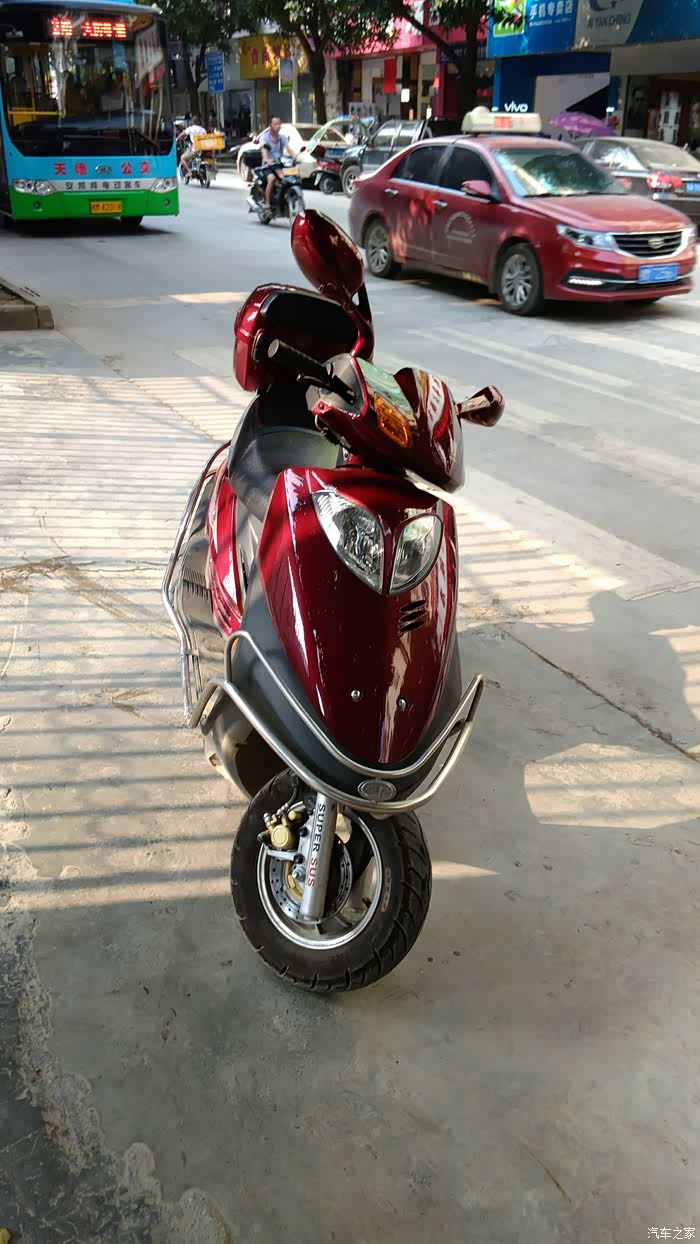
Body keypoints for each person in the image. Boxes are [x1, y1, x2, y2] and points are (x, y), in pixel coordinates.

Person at [259, 115, 296, 219]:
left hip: (279, 164)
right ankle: (267, 205)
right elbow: (264, 149)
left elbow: (288, 148)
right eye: (275, 124)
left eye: (279, 124)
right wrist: (267, 159)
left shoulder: (282, 138)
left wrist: (295, 156)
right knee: (271, 178)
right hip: (268, 165)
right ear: (270, 125)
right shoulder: (265, 137)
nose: (278, 126)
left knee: (290, 178)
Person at [178, 115, 206, 181]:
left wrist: (177, 139)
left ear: (192, 122)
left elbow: (182, 134)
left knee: (182, 158)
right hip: (203, 149)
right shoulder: (203, 130)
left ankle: (189, 172)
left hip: (196, 149)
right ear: (199, 122)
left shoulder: (190, 129)